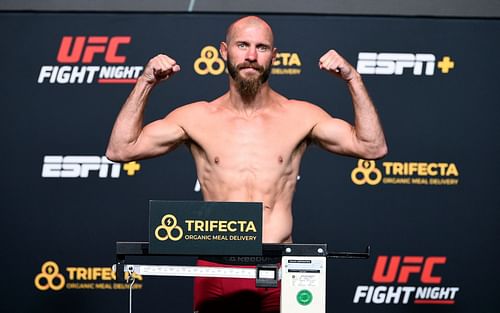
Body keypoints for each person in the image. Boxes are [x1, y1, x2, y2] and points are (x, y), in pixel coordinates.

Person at [106, 15, 387, 313]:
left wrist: (352, 79)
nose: (251, 56)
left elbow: (372, 146)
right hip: (216, 267)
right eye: (242, 45)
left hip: (281, 265)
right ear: (224, 51)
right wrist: (146, 82)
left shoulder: (301, 116)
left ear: (274, 56)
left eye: (261, 47)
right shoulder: (196, 118)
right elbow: (121, 148)